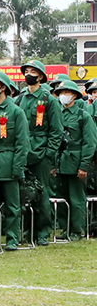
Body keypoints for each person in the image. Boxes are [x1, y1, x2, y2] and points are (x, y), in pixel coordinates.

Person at [16, 60, 63, 246]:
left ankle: (43, 231)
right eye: (26, 71)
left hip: (41, 152)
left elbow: (56, 131)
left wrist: (49, 153)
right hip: (23, 152)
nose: (29, 74)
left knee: (42, 194)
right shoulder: (20, 99)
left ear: (41, 76)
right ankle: (28, 231)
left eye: (33, 71)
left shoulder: (49, 100)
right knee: (25, 194)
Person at [0, 72, 28, 250]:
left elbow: (22, 142)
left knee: (12, 206)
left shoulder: (16, 111)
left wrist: (17, 167)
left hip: (8, 163)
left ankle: (12, 239)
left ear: (3, 87)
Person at [51, 81, 96, 240]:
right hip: (60, 162)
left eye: (67, 92)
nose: (63, 95)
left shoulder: (83, 115)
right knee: (62, 198)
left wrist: (84, 166)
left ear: (75, 95)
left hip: (76, 162)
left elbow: (90, 143)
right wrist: (53, 164)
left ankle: (77, 230)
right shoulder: (57, 114)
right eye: (61, 92)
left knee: (77, 199)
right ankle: (65, 229)